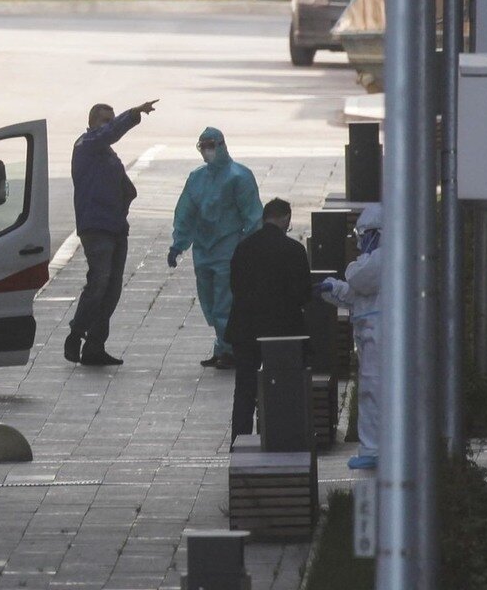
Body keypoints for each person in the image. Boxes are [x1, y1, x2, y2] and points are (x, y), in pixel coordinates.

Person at [66, 99, 159, 366]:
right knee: (99, 282)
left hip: (116, 227)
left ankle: (95, 346)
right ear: (91, 123)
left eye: (112, 118)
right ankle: (76, 333)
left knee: (112, 289)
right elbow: (110, 133)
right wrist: (132, 115)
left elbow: (127, 188)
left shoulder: (108, 154)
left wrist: (121, 209)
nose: (108, 124)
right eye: (104, 120)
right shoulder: (86, 145)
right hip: (96, 228)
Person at [168, 127, 263, 369]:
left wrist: (248, 248)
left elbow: (252, 216)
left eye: (211, 145)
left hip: (229, 249)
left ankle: (230, 350)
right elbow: (185, 213)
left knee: (225, 302)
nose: (207, 151)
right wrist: (178, 244)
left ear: (222, 145)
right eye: (203, 146)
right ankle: (222, 346)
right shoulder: (197, 178)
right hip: (203, 248)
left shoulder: (239, 177)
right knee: (209, 301)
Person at [224, 198, 312, 440]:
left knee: (244, 389)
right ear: (285, 218)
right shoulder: (294, 250)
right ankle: (276, 438)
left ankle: (239, 440)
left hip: (245, 329)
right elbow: (303, 294)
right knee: (281, 387)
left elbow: (234, 285)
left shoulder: (243, 248)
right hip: (282, 333)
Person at [316, 204, 383, 471]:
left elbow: (358, 278)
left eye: (363, 235)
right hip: (373, 333)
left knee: (374, 391)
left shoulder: (381, 258)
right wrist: (332, 289)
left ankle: (375, 448)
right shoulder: (378, 260)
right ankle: (373, 447)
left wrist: (346, 277)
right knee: (372, 391)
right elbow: (359, 295)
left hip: (380, 335)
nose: (359, 242)